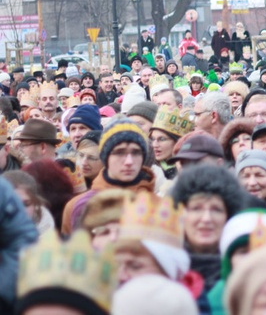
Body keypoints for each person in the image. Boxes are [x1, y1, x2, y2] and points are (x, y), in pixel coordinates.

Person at [61, 118, 157, 235]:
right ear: (105, 156)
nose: (129, 161)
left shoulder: (158, 207)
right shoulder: (78, 206)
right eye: (120, 152)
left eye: (136, 152)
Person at [171, 164, 245, 294]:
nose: (206, 219)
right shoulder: (167, 269)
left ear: (228, 216)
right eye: (196, 208)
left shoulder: (242, 270)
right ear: (181, 214)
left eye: (216, 209)